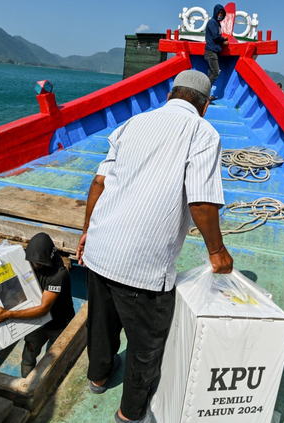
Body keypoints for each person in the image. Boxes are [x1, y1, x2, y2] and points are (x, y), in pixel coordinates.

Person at [76, 70, 233, 423]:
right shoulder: (202, 132)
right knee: (146, 344)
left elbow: (99, 182)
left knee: (100, 322)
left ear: (171, 93)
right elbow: (202, 202)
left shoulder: (133, 123)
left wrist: (87, 231)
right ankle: (130, 414)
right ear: (205, 105)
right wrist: (216, 251)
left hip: (100, 248)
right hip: (142, 264)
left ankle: (98, 377)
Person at [0, 233, 75, 377]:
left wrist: (8, 314)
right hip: (36, 322)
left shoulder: (58, 274)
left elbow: (44, 309)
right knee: (28, 357)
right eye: (33, 262)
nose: (35, 265)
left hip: (58, 323)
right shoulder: (30, 260)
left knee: (52, 362)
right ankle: (26, 384)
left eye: (39, 263)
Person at [204, 4, 229, 100]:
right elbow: (215, 36)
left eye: (222, 13)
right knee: (215, 72)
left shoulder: (217, 23)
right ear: (215, 12)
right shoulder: (212, 22)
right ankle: (204, 92)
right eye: (219, 12)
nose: (220, 14)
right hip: (211, 51)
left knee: (210, 74)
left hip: (213, 51)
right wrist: (223, 40)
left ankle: (205, 94)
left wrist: (222, 40)